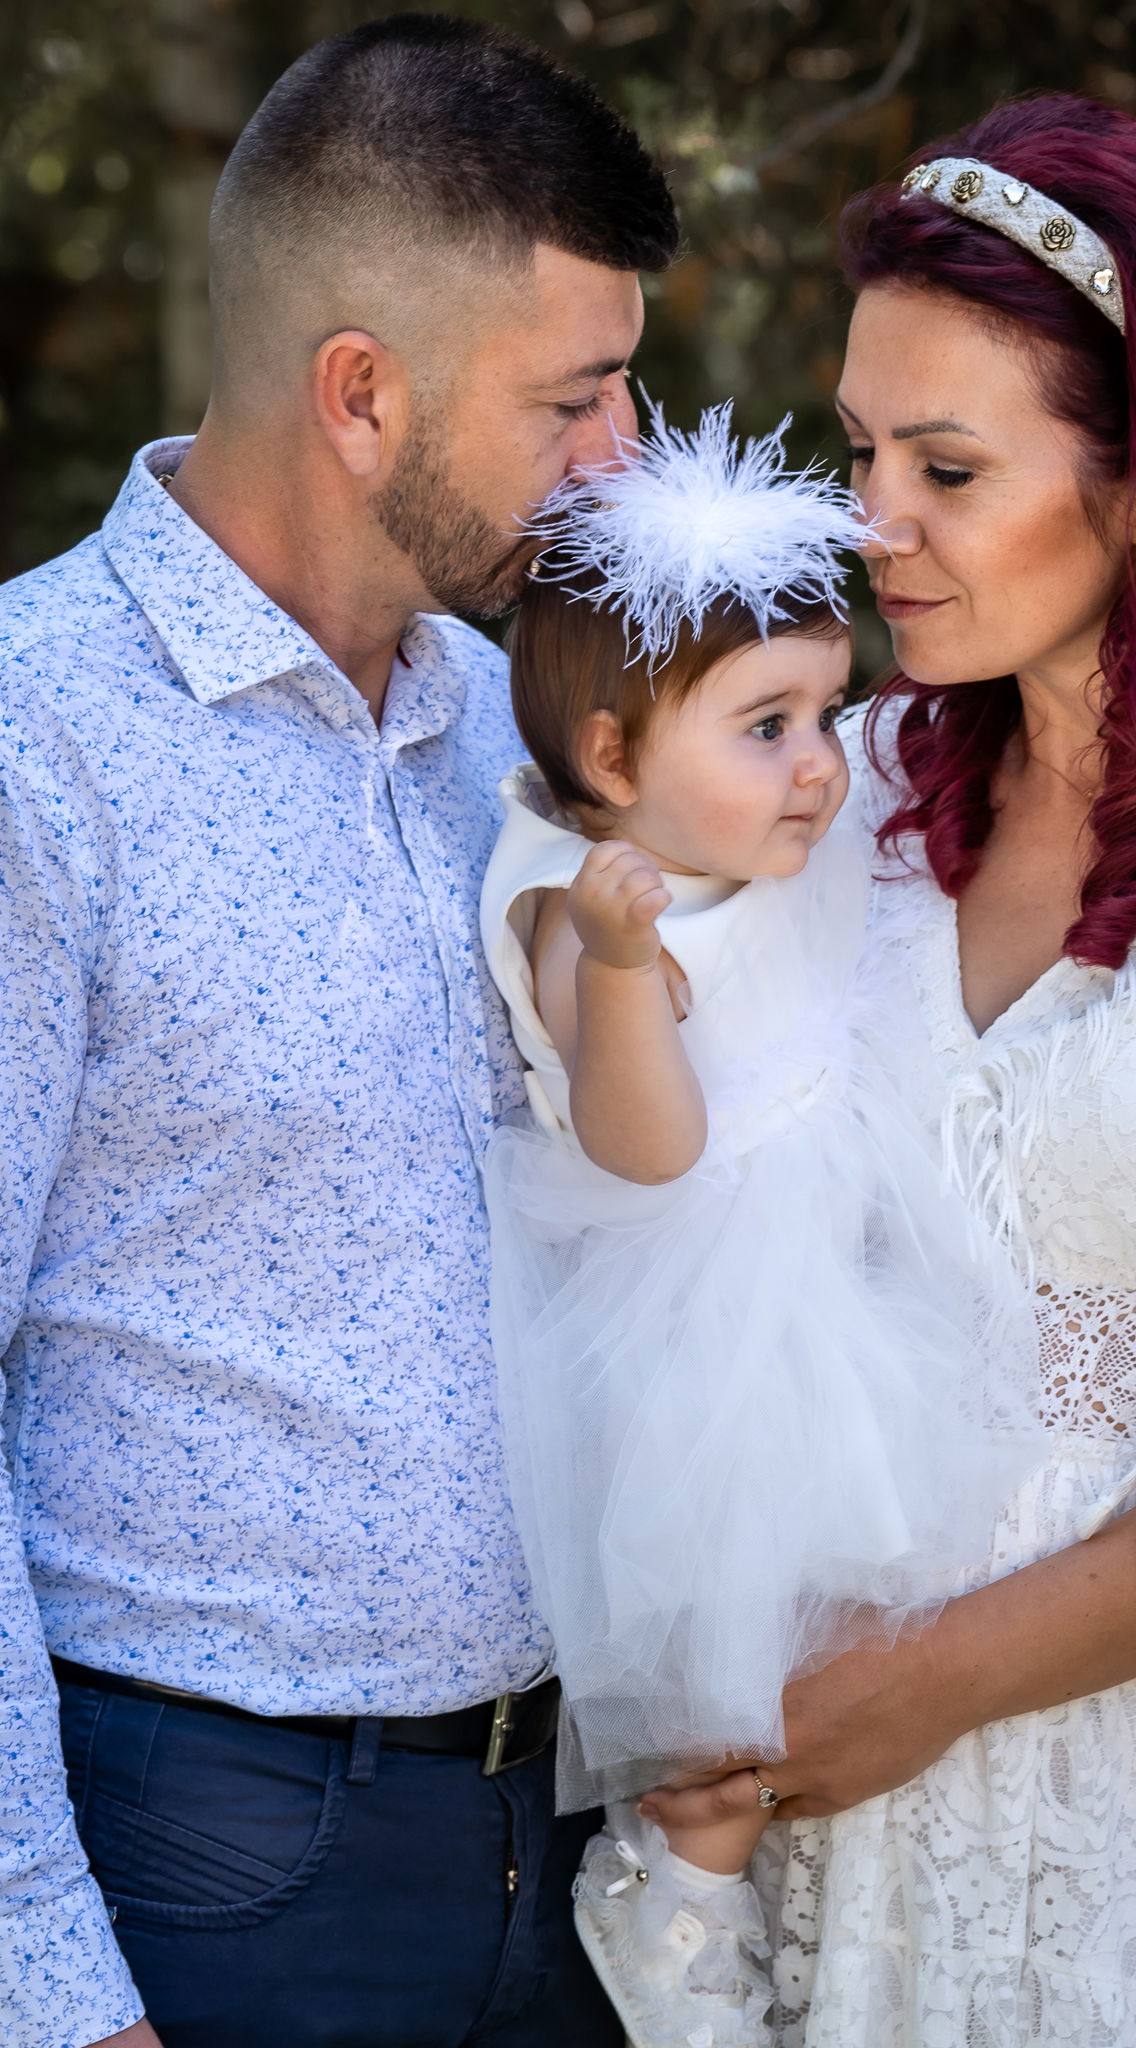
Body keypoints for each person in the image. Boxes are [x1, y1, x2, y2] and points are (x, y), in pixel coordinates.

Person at [644, 94, 1136, 2047]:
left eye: (946, 467)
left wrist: (924, 1685)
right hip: (815, 1799)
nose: (869, 521)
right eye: (860, 451)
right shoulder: (840, 792)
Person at [0, 16, 677, 2048]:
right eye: (569, 398)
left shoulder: (515, 741)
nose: (623, 459)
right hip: (203, 1867)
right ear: (360, 393)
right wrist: (47, 1981)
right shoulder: (32, 742)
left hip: (567, 1847)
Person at [478, 405, 1042, 2048]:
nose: (817, 763)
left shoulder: (745, 829)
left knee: (860, 1608)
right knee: (732, 1658)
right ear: (611, 764)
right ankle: (679, 1906)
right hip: (709, 1322)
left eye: (823, 710)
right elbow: (647, 1148)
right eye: (767, 726)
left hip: (822, 1262)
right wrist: (623, 973)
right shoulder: (587, 912)